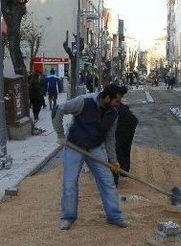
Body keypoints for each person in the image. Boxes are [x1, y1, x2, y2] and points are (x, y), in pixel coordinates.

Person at [52, 84, 127, 230]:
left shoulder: (113, 114)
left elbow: (110, 139)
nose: (119, 104)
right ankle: (68, 217)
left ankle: (114, 216)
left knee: (107, 181)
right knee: (70, 183)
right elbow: (59, 109)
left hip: (95, 148)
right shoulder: (84, 101)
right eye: (117, 101)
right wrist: (60, 135)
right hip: (75, 146)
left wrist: (113, 160)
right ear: (107, 98)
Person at [113, 86, 139, 186]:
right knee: (122, 149)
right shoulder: (117, 105)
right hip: (126, 126)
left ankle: (115, 178)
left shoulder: (116, 106)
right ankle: (123, 170)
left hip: (126, 127)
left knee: (117, 151)